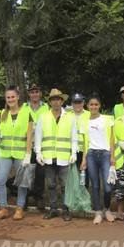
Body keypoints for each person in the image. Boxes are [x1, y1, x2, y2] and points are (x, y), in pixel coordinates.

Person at [35, 88, 78, 221]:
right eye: (53, 99)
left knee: (65, 186)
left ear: (61, 101)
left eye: (58, 99)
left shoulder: (70, 117)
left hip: (64, 157)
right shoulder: (44, 116)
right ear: (50, 102)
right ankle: (53, 209)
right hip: (48, 157)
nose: (55, 102)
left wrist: (74, 152)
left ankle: (66, 210)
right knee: (51, 185)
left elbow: (74, 137)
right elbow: (38, 136)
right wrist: (38, 152)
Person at [0, 85, 34, 221]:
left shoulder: (26, 113)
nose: (10, 99)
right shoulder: (2, 114)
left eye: (12, 97)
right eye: (8, 97)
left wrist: (28, 154)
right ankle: (3, 208)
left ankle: (20, 208)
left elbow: (29, 135)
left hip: (21, 153)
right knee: (0, 180)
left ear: (18, 97)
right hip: (4, 152)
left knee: (22, 182)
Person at [80, 95, 116, 224]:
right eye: (91, 105)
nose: (93, 107)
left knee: (107, 187)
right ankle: (98, 212)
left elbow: (112, 139)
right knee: (94, 185)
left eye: (96, 104)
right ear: (88, 106)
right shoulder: (84, 121)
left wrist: (113, 156)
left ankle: (107, 209)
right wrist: (84, 159)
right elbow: (85, 143)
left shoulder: (107, 119)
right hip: (91, 155)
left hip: (106, 154)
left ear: (99, 106)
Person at [22, 84, 49, 210]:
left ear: (40, 94)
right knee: (26, 171)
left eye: (37, 92)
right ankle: (26, 196)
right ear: (29, 94)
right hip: (27, 143)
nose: (34, 94)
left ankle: (38, 197)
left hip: (41, 144)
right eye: (32, 92)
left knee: (40, 172)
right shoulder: (24, 107)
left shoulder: (46, 107)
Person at [71, 93, 90, 182]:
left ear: (83, 103)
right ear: (72, 103)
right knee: (72, 176)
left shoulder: (89, 114)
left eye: (79, 102)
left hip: (85, 150)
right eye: (75, 102)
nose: (77, 104)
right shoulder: (67, 115)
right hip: (71, 150)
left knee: (84, 175)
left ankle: (84, 194)